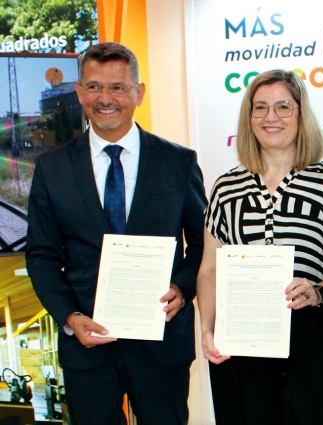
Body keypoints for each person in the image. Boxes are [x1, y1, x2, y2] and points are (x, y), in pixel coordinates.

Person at [25, 42, 206, 425]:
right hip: (86, 347)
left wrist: (184, 287)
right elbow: (41, 256)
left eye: (117, 87)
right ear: (78, 92)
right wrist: (70, 317)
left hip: (162, 343)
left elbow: (202, 243)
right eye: (93, 87)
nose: (105, 98)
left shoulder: (178, 162)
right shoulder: (51, 169)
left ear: (138, 93)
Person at [197, 70, 323, 425]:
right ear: (249, 117)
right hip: (243, 341)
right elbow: (210, 269)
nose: (271, 117)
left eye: (283, 107)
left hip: (317, 343)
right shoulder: (226, 188)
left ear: (301, 115)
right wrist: (208, 328)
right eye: (260, 108)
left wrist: (319, 290)